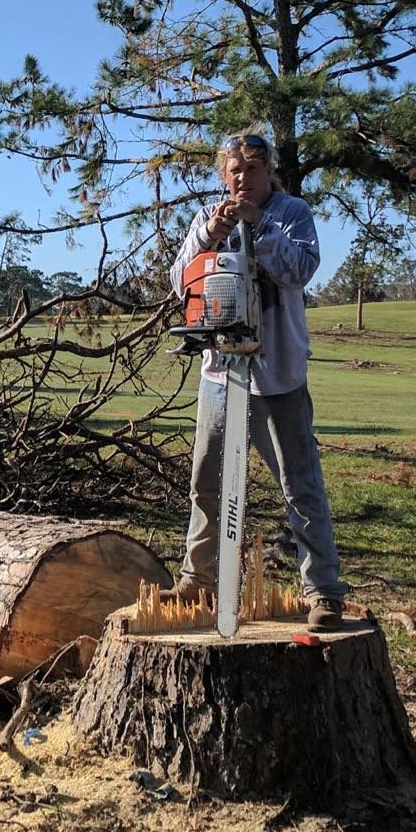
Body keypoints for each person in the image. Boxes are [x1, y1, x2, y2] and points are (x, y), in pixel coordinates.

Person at [163, 128, 348, 631]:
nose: (243, 178)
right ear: (224, 175)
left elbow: (299, 270)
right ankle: (198, 580)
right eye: (234, 170)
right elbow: (179, 280)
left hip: (278, 375)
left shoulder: (292, 213)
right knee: (206, 482)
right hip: (221, 372)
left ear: (269, 172)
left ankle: (323, 591)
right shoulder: (208, 216)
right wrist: (212, 233)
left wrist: (258, 224)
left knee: (299, 484)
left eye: (252, 169)